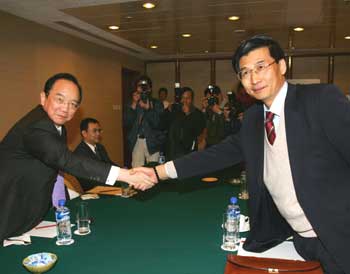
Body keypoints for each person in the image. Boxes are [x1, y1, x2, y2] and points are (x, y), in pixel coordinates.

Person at [135, 35, 350, 274]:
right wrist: (157, 173)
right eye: (245, 72)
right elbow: (215, 155)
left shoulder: (319, 100)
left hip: (339, 237)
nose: (253, 78)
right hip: (299, 241)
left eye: (260, 67)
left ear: (281, 66)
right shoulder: (254, 119)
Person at [0, 73, 152, 241]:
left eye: (73, 104)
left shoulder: (57, 126)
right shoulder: (37, 126)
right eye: (60, 99)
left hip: (32, 206)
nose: (65, 108)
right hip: (10, 205)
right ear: (44, 97)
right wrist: (126, 175)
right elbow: (65, 160)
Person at [124, 75, 165, 167]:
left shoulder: (156, 103)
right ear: (136, 88)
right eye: (140, 86)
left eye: (145, 86)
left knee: (153, 169)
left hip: (153, 141)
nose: (142, 89)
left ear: (150, 88)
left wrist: (148, 109)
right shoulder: (132, 103)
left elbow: (158, 124)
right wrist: (134, 105)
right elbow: (127, 123)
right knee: (137, 169)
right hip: (137, 140)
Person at [73, 117, 118, 191]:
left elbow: (108, 163)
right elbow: (89, 180)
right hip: (94, 190)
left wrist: (122, 171)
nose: (98, 134)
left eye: (99, 130)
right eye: (94, 131)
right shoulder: (79, 153)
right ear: (84, 133)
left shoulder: (100, 147)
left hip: (107, 184)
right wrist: (115, 179)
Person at [166, 87, 205, 160]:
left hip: (189, 153)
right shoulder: (175, 110)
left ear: (192, 100)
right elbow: (162, 125)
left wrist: (188, 115)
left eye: (188, 98)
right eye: (183, 98)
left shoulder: (197, 114)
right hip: (173, 151)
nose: (185, 101)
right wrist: (167, 110)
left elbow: (198, 131)